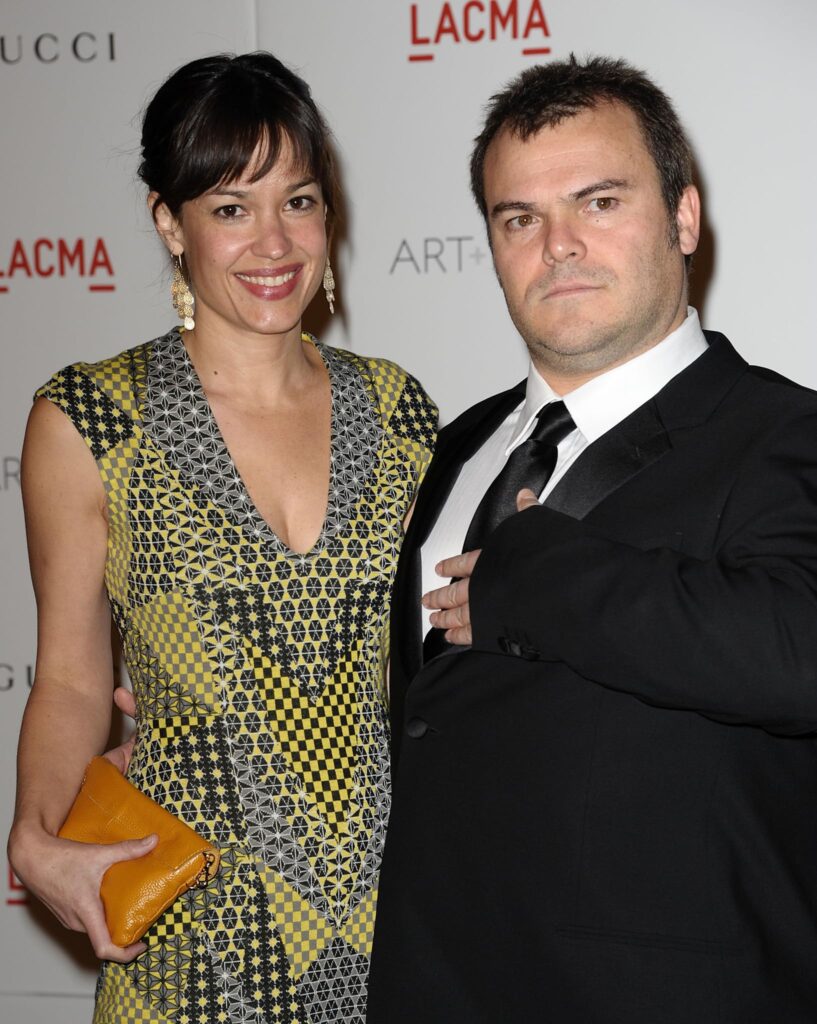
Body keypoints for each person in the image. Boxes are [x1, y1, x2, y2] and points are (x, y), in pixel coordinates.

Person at [367, 55, 817, 1023]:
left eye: (599, 202)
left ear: (683, 219)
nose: (557, 245)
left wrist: (539, 578)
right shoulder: (454, 446)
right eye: (518, 219)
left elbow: (799, 653)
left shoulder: (786, 434)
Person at [7, 52, 436, 1024]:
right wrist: (35, 832)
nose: (274, 242)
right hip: (191, 945)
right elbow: (70, 678)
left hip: (392, 931)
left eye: (299, 201)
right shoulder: (91, 419)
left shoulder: (400, 412)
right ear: (171, 223)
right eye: (231, 208)